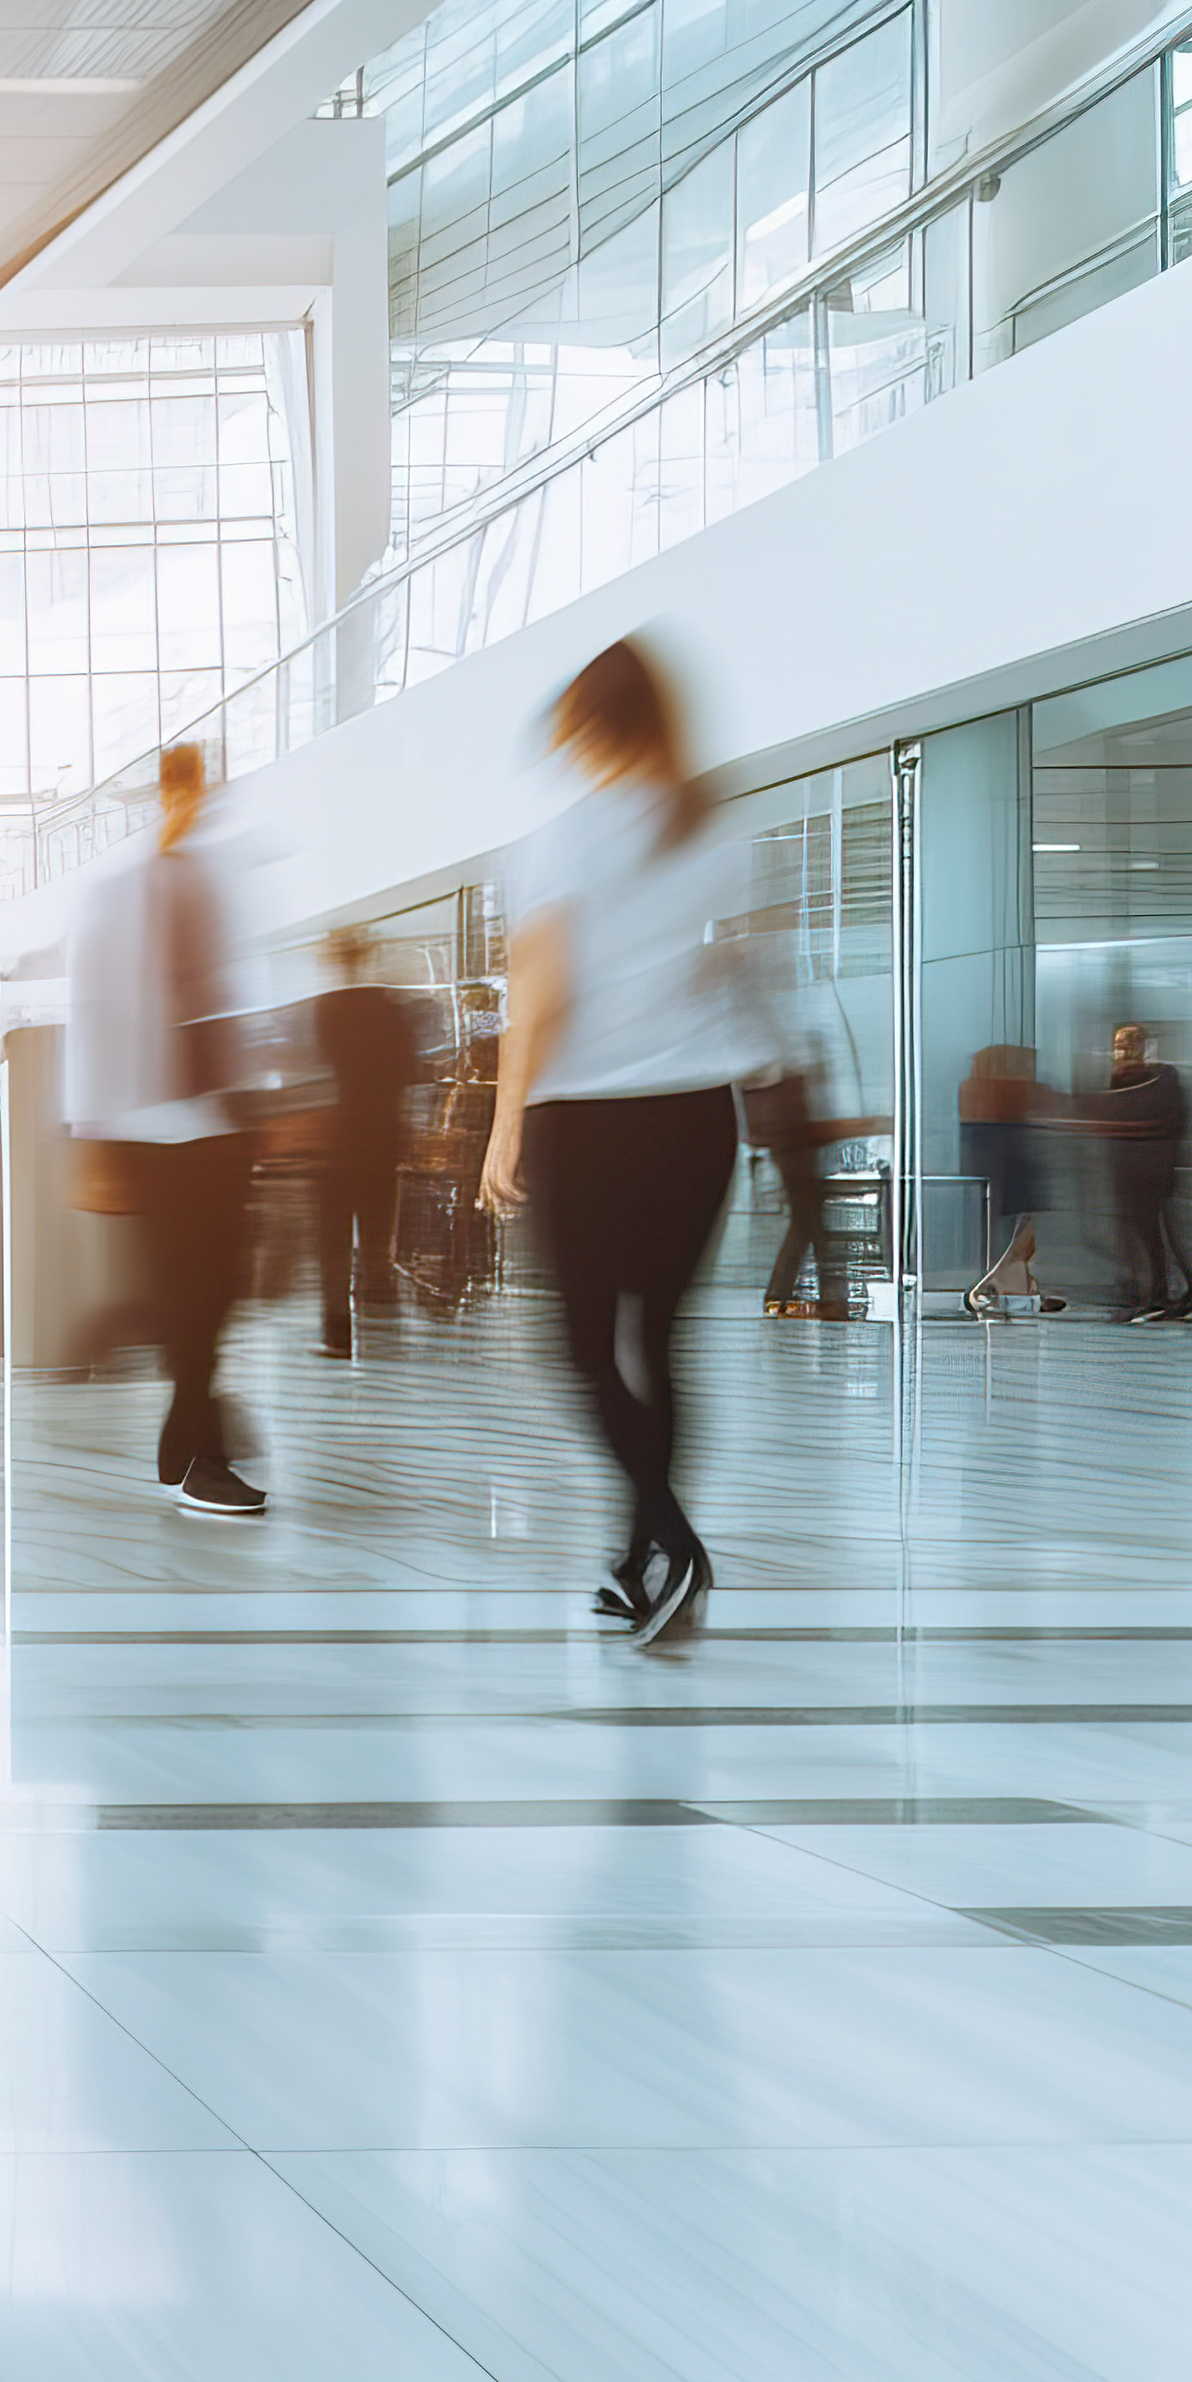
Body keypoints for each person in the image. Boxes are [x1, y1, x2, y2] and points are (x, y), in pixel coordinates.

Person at [478, 637, 779, 1649]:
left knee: (579, 1349)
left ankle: (673, 1540)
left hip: (591, 1119)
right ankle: (641, 1554)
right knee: (655, 1342)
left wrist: (504, 1125)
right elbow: (744, 972)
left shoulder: (564, 838)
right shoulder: (716, 826)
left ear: (590, 725)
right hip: (698, 1117)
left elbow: (538, 995)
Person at [68, 741, 263, 1516]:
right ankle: (200, 1456)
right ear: (168, 792)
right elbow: (93, 1015)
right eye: (188, 787)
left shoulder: (215, 880)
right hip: (150, 1128)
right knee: (191, 1296)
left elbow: (234, 997)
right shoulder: (119, 891)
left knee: (215, 1293)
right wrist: (92, 1144)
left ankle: (184, 1444)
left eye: (207, 787)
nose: (199, 800)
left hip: (216, 1120)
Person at [313, 930, 415, 1355]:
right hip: (384, 1133)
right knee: (377, 1232)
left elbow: (317, 1066)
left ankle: (337, 1332)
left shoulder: (325, 1008)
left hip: (338, 1135)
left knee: (332, 1239)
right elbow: (410, 1066)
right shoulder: (390, 1006)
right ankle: (382, 1320)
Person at [1094, 1022, 1192, 1323]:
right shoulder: (1151, 1081)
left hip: (1143, 1174)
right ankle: (1169, 1294)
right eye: (1122, 1045)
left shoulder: (1149, 1082)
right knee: (1156, 1236)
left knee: (1151, 1237)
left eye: (1130, 1044)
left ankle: (1158, 1296)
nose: (1125, 1051)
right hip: (1147, 1172)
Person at [956, 1044, 1064, 1320]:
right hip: (1012, 1171)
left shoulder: (973, 1088)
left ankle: (1017, 1289)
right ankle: (1002, 1288)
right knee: (1018, 1236)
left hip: (998, 1174)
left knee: (1010, 1235)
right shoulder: (1017, 1091)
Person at [742, 1059, 840, 1318]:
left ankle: (803, 1295)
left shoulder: (775, 1071)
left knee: (808, 1218)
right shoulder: (776, 1073)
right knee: (807, 1218)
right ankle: (811, 1295)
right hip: (791, 1142)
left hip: (792, 1141)